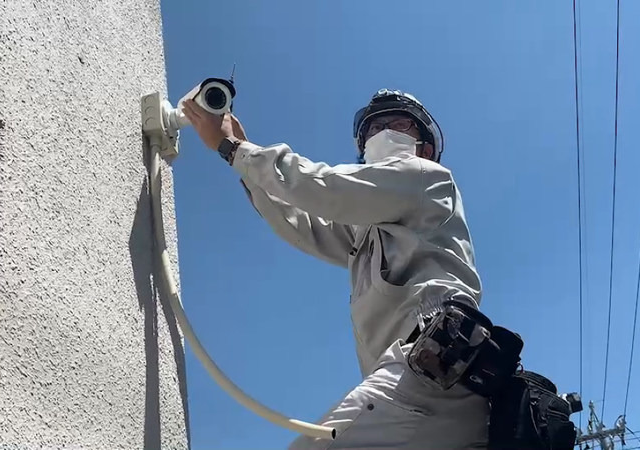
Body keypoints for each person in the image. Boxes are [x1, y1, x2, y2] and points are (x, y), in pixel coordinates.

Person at [183, 89, 490, 449]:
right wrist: (242, 160)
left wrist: (235, 149)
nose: (384, 131)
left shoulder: (425, 177)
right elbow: (303, 222)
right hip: (424, 379)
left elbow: (326, 188)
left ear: (424, 149)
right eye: (374, 127)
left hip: (436, 364)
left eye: (399, 124)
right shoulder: (367, 228)